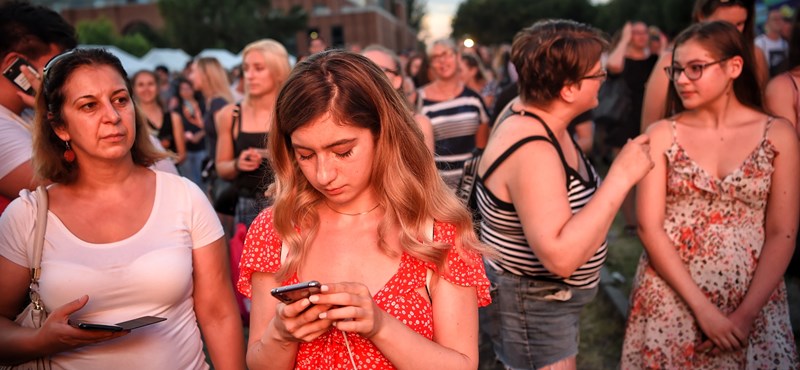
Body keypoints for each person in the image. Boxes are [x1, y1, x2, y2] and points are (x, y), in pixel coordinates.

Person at [237, 50, 491, 369]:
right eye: (305, 154)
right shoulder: (278, 230)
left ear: (383, 134)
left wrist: (382, 327)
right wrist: (281, 335)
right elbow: (259, 362)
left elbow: (462, 365)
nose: (324, 174)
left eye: (343, 152)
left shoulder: (435, 232)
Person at [0, 48, 245, 369]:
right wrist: (42, 340)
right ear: (60, 127)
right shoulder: (29, 215)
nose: (112, 116)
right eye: (89, 105)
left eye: (120, 100)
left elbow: (219, 314)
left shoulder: (184, 197)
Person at [476, 19, 653, 370]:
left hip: (542, 302)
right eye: (596, 74)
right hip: (534, 307)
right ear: (569, 89)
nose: (603, 77)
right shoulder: (532, 149)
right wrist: (619, 177)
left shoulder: (529, 113)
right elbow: (559, 258)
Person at [622, 21, 799, 368]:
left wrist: (745, 316)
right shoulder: (661, 134)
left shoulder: (778, 134)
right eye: (677, 70)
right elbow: (649, 226)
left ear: (734, 66)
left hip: (752, 293)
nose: (682, 79)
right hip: (672, 293)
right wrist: (704, 312)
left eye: (696, 68)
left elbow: (784, 231)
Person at [641, 0, 770, 130]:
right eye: (722, 24)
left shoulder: (755, 55)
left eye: (740, 24)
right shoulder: (669, 62)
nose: (732, 32)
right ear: (701, 16)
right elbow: (648, 131)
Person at [0, 1, 76, 213]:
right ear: (14, 64)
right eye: (55, 65)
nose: (65, 75)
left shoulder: (30, 111)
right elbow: (67, 188)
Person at [215, 39, 291, 227]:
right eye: (246, 68)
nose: (249, 75)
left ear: (278, 71)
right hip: (245, 207)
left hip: (287, 203)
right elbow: (222, 168)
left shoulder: (292, 112)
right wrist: (237, 163)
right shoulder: (230, 114)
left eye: (258, 68)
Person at [605, 20, 660, 235]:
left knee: (649, 173)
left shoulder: (653, 60)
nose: (641, 36)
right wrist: (625, 39)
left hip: (648, 119)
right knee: (625, 173)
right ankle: (630, 222)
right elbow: (613, 66)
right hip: (623, 119)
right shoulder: (621, 59)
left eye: (644, 32)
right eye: (635, 33)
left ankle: (648, 218)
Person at [419, 39, 490, 189]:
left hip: (472, 189)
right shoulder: (419, 100)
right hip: (438, 191)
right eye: (435, 57)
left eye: (447, 55)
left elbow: (483, 149)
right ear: (430, 64)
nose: (442, 61)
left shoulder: (474, 99)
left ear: (458, 57)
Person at [362, 44, 435, 153]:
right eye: (362, 70)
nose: (370, 75)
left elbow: (427, 169)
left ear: (397, 81)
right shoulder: (346, 123)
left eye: (379, 69)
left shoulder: (418, 124)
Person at [131, 69, 184, 174]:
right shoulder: (132, 119)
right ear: (134, 89)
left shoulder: (174, 118)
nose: (146, 89)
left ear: (158, 87)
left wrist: (165, 167)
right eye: (141, 85)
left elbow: (182, 154)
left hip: (172, 178)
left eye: (150, 84)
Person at [172, 77, 206, 187]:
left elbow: (210, 124)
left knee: (203, 178)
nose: (186, 92)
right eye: (183, 89)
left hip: (203, 147)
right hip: (186, 149)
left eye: (188, 88)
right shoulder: (177, 109)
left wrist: (199, 135)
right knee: (190, 182)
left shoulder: (202, 105)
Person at [755, 8, 790, 77]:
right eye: (775, 19)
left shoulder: (786, 44)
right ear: (767, 22)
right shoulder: (759, 43)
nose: (778, 22)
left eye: (780, 19)